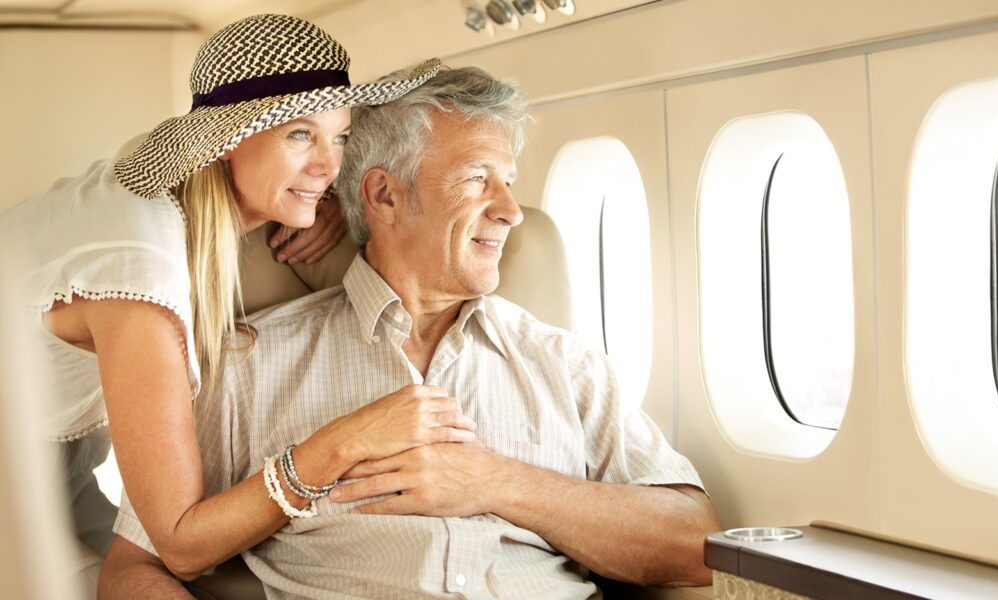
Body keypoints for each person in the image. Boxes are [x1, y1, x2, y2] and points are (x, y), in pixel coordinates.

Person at [104, 65, 721, 599]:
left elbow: (696, 545)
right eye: (479, 178)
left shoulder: (567, 365)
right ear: (384, 195)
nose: (509, 209)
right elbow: (135, 569)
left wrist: (492, 481)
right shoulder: (248, 367)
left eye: (509, 181)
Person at [0, 13, 464, 597]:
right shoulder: (140, 273)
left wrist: (314, 201)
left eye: (339, 136)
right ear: (223, 142)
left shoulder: (177, 179)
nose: (329, 165)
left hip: (49, 453)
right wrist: (343, 444)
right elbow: (181, 541)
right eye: (299, 134)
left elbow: (288, 173)